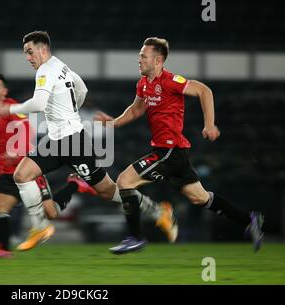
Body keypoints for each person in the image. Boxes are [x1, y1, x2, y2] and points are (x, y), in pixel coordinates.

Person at [0, 31, 178, 252]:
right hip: (55, 141)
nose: (28, 57)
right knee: (22, 175)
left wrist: (10, 108)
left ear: (43, 49)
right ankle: (40, 226)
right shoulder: (61, 66)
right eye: (26, 53)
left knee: (107, 190)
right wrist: (71, 110)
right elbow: (82, 89)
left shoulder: (45, 71)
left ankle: (159, 211)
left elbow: (39, 103)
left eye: (30, 52)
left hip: (74, 143)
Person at [94, 37, 264, 253]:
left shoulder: (171, 80)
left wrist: (209, 124)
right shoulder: (144, 83)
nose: (139, 60)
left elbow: (204, 91)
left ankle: (135, 237)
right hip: (171, 152)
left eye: (143, 56)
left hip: (169, 150)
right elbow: (136, 109)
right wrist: (113, 123)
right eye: (139, 56)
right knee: (200, 198)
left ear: (157, 60)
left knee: (124, 181)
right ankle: (250, 220)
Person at [0, 71, 97, 258]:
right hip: (8, 173)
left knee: (51, 214)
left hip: (27, 170)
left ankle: (74, 184)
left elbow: (26, 131)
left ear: (5, 91)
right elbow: (2, 149)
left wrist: (17, 151)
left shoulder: (12, 109)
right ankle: (2, 249)